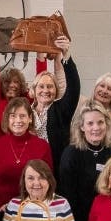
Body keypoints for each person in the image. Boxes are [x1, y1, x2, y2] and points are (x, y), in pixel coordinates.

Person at [59, 102, 111, 221]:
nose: (96, 128)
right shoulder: (71, 153)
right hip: (80, 220)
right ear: (82, 127)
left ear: (106, 124)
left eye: (100, 122)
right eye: (90, 123)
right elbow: (68, 195)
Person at [0, 97, 53, 218]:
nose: (18, 120)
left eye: (22, 116)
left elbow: (48, 181)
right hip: (1, 211)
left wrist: (34, 205)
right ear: (7, 119)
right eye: (13, 116)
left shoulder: (42, 146)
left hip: (35, 211)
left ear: (30, 118)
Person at [29, 36, 80, 166]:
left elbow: (74, 87)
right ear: (34, 90)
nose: (45, 90)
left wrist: (65, 55)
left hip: (55, 167)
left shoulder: (61, 109)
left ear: (56, 91)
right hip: (30, 165)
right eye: (41, 86)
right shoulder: (26, 111)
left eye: (50, 86)